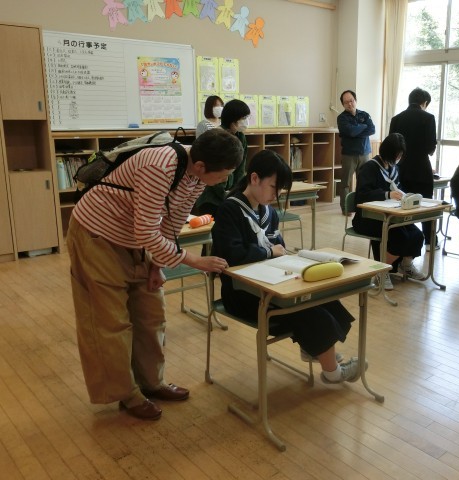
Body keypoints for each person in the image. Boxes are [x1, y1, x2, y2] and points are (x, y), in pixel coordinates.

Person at [67, 129, 244, 421]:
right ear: (202, 166)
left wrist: (156, 266)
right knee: (111, 321)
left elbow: (172, 223)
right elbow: (148, 232)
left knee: (151, 313)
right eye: (224, 174)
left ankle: (152, 382)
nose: (226, 180)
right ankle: (127, 394)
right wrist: (195, 261)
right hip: (97, 234)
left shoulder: (197, 176)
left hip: (135, 238)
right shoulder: (160, 165)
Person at [211, 149, 365, 383]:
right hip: (242, 293)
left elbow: (279, 247)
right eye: (274, 187)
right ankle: (332, 373)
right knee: (307, 310)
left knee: (323, 298)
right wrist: (268, 252)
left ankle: (314, 349)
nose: (277, 194)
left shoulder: (269, 212)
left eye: (281, 189)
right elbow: (233, 256)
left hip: (272, 285)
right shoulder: (229, 210)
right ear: (254, 178)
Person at [352, 133, 426, 291]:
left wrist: (404, 197)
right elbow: (362, 196)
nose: (398, 158)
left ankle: (405, 265)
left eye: (400, 155)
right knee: (400, 237)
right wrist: (387, 194)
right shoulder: (369, 168)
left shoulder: (394, 168)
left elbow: (398, 189)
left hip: (392, 216)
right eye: (397, 155)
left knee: (417, 235)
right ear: (388, 152)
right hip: (368, 218)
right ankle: (380, 270)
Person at [389, 87, 438, 247]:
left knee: (401, 205)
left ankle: (401, 238)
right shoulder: (428, 118)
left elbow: (391, 146)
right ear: (424, 103)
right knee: (426, 204)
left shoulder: (396, 119)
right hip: (421, 169)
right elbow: (430, 147)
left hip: (401, 169)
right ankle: (430, 242)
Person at [192, 99, 251, 217]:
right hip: (211, 195)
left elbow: (240, 168)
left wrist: (237, 192)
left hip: (229, 194)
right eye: (243, 118)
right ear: (233, 119)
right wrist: (226, 195)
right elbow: (215, 170)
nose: (246, 121)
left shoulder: (241, 137)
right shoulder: (218, 136)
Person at [337, 89, 376, 216]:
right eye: (346, 102)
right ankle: (346, 208)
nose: (350, 104)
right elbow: (350, 132)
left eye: (351, 101)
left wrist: (357, 130)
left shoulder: (364, 115)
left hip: (365, 153)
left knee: (364, 181)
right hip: (349, 154)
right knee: (346, 183)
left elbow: (372, 130)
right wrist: (363, 127)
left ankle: (362, 207)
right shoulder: (342, 118)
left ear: (355, 100)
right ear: (343, 104)